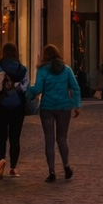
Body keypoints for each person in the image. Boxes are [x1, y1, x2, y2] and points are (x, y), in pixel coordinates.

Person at [30, 45, 80, 183]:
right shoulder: (67, 69)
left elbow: (38, 88)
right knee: (62, 138)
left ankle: (51, 171)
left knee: (49, 140)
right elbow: (75, 87)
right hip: (64, 107)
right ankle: (66, 166)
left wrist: (28, 92)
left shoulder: (42, 70)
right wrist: (77, 105)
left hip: (47, 107)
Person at [0, 43, 29, 179]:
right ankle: (13, 168)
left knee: (1, 135)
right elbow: (25, 88)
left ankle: (1, 159)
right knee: (15, 137)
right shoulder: (22, 69)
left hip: (0, 105)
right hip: (17, 106)